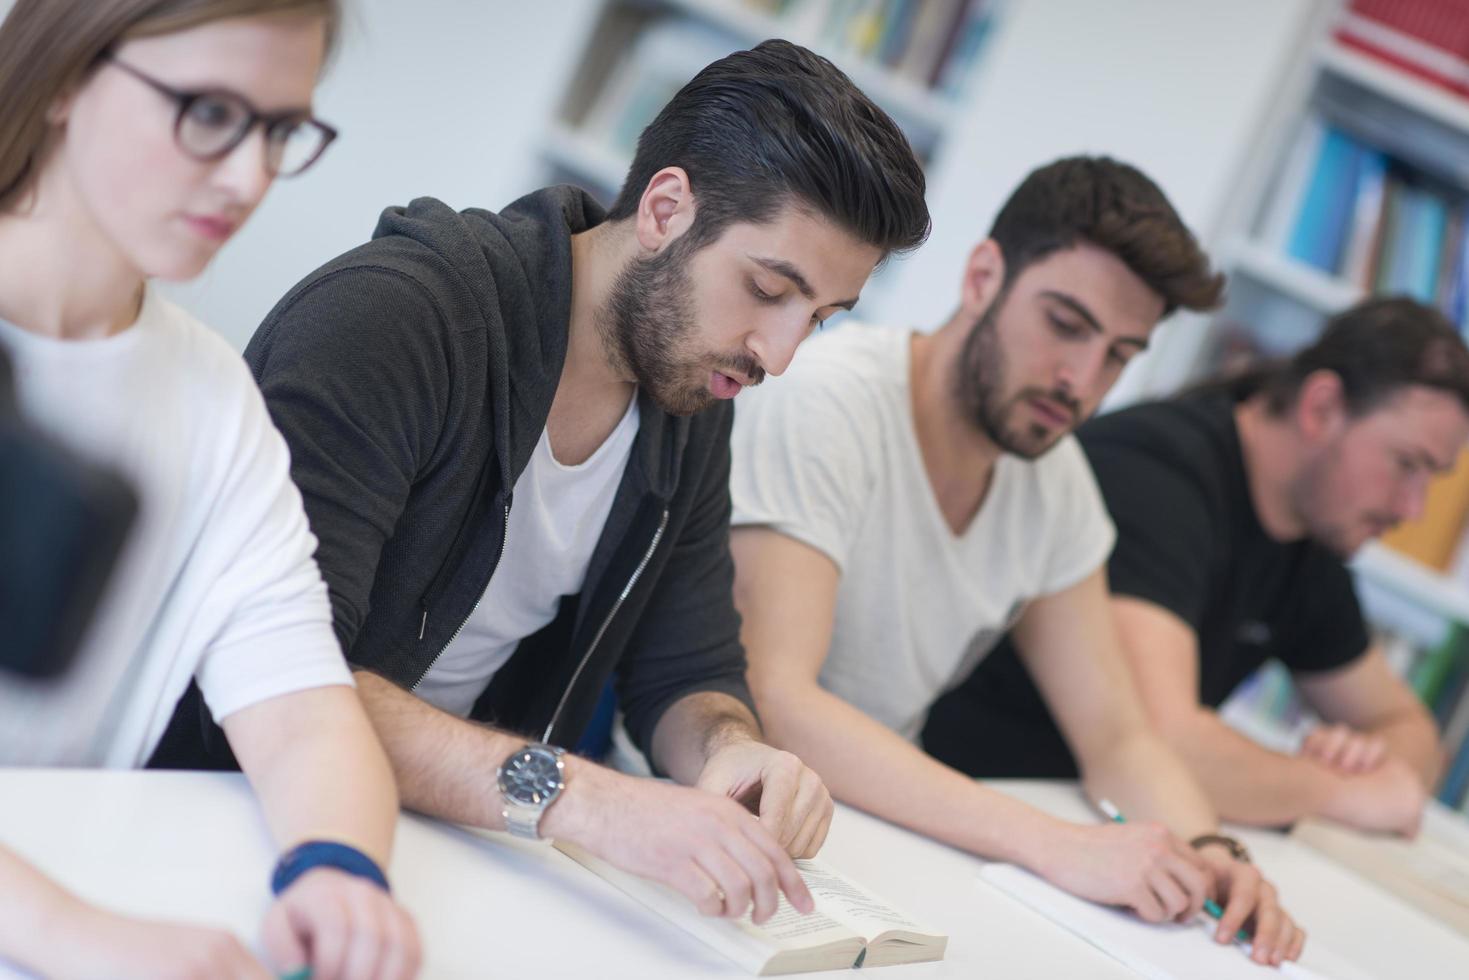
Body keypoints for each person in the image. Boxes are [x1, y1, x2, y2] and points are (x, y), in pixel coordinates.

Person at [151, 38, 931, 926]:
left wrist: (732, 749)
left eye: (819, 319)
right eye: (765, 288)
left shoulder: (691, 396)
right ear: (667, 209)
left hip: (452, 837)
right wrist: (587, 801)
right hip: (226, 817)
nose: (779, 355)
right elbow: (279, 673)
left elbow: (688, 669)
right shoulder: (394, 319)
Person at [729, 156, 1304, 965]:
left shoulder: (1056, 481)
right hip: (725, 827)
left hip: (871, 850)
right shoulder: (831, 400)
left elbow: (1114, 733)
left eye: (1118, 355)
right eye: (1065, 325)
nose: (1080, 381)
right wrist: (1058, 844)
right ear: (982, 276)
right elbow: (778, 703)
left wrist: (1210, 848)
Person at [0, 2, 420, 977]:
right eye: (208, 112)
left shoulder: (212, 396)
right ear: (66, 76)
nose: (247, 178)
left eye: (279, 130)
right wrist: (73, 932)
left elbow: (302, 705)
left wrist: (338, 868)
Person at [926, 297, 1467, 840]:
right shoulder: (1156, 476)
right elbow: (1164, 742)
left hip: (1088, 834)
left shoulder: (1310, 536)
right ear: (1322, 407)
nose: (1412, 509)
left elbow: (1413, 735)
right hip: (961, 813)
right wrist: (1345, 789)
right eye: (1406, 465)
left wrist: (1371, 766)